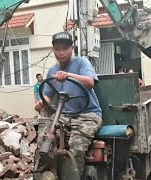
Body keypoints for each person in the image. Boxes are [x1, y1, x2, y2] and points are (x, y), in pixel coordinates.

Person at [35, 31, 103, 177]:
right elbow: (47, 95)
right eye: (57, 49)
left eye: (65, 48)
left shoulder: (82, 63)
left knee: (76, 146)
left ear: (72, 48)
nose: (61, 52)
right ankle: (47, 174)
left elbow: (90, 82)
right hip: (64, 115)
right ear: (53, 50)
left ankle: (73, 176)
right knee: (44, 139)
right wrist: (41, 103)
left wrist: (68, 75)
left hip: (88, 114)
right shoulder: (52, 71)